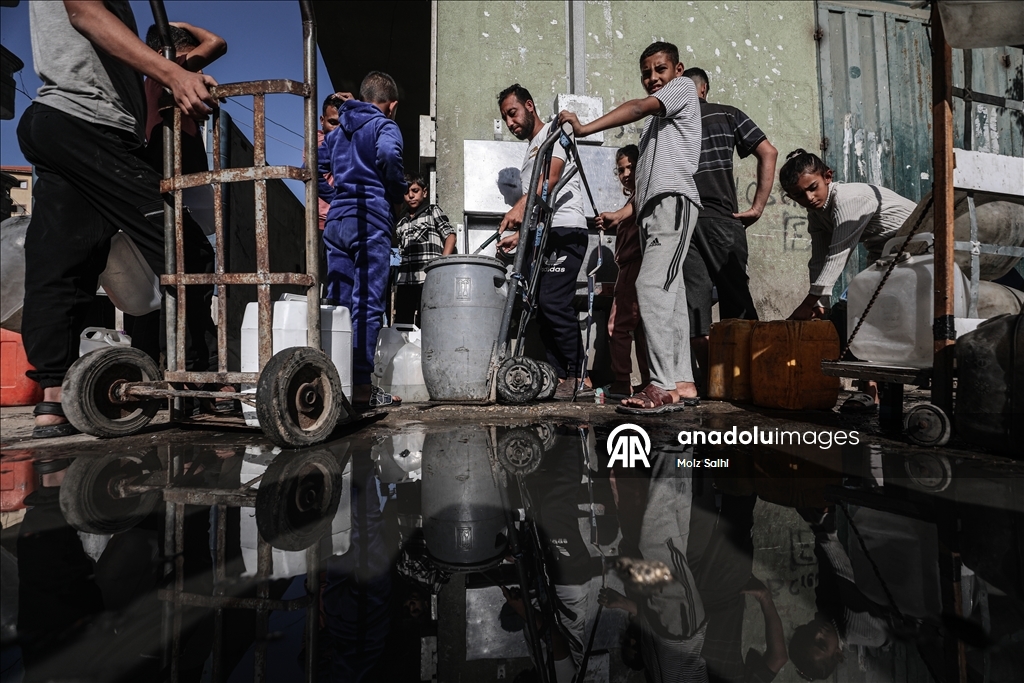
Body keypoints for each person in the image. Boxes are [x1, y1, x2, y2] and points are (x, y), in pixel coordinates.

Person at [18, 1, 217, 438]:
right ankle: (201, 388)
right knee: (189, 251)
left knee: (68, 261)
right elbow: (83, 12)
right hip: (88, 121)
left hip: (64, 121)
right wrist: (173, 73)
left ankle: (53, 403)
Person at [559, 41, 702, 414]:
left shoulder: (683, 90)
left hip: (674, 202)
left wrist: (585, 126)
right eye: (646, 73)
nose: (652, 78)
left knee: (650, 286)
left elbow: (636, 108)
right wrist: (625, 214)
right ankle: (682, 381)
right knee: (670, 297)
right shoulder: (657, 127)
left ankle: (661, 384)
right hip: (653, 210)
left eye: (660, 70)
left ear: (678, 70)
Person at [779, 149, 916, 412]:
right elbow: (818, 259)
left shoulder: (850, 199)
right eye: (798, 195)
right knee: (859, 313)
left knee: (867, 311)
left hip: (917, 248)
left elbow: (838, 254)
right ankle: (870, 391)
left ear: (828, 176)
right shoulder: (817, 212)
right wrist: (820, 302)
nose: (807, 198)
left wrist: (808, 303)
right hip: (884, 254)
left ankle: (872, 389)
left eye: (812, 188)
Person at [682, 67, 777, 392]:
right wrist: (757, 207)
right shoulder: (726, 114)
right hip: (721, 220)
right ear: (705, 88)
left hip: (684, 222)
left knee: (697, 309)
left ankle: (713, 384)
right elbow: (769, 152)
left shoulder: (670, 122)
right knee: (736, 303)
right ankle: (752, 381)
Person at [496, 83, 591, 401]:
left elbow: (550, 178)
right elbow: (539, 203)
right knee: (540, 307)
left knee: (554, 303)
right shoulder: (531, 149)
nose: (511, 123)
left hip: (566, 232)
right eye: (506, 118)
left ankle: (581, 377)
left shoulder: (554, 132)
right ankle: (558, 377)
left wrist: (519, 206)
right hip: (544, 235)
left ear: (529, 105)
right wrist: (519, 236)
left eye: (513, 113)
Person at [318, 71, 406, 407]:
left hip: (338, 221)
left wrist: (336, 192)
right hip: (369, 220)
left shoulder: (338, 131)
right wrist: (394, 192)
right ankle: (362, 390)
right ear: (391, 105)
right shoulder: (384, 126)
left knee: (339, 305)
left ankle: (334, 386)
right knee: (368, 305)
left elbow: (316, 162)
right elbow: (389, 156)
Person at [597, 145, 650, 399]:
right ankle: (648, 381)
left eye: (631, 167)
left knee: (617, 326)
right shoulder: (635, 199)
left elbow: (635, 208)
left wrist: (617, 216)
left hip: (634, 266)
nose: (626, 174)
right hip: (633, 267)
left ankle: (621, 382)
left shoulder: (643, 195)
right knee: (640, 329)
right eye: (621, 170)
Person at [394, 172, 456, 326]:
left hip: (428, 279)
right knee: (402, 323)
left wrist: (441, 265)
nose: (411, 196)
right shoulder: (401, 222)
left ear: (425, 192)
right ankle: (404, 350)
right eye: (406, 192)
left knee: (428, 320)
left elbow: (450, 235)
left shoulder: (432, 211)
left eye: (415, 191)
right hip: (405, 281)